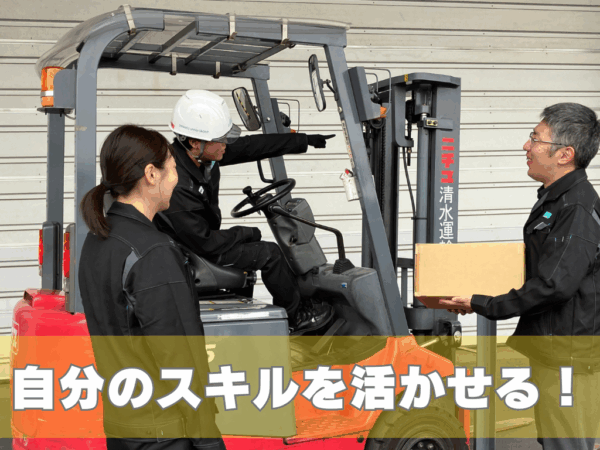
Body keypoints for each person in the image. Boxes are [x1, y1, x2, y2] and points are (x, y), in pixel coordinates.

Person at [440, 103, 600, 450]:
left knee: (566, 443)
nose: (526, 146)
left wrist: (485, 304)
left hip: (567, 357)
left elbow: (554, 285)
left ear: (565, 155)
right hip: (551, 350)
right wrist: (477, 292)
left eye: (536, 138)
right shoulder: (556, 201)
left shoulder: (575, 208)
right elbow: (540, 268)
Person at [79, 125, 224, 450]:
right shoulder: (154, 251)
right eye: (172, 168)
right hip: (165, 431)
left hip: (123, 425)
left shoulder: (98, 240)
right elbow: (180, 359)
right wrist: (209, 442)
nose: (176, 179)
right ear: (151, 174)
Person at [155, 90, 335, 334]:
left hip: (195, 239)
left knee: (253, 247)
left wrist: (303, 141)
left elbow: (251, 146)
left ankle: (249, 317)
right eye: (221, 140)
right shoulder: (176, 183)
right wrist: (246, 232)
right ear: (196, 142)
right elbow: (204, 242)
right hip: (190, 250)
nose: (226, 145)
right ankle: (296, 318)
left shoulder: (203, 156)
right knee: (270, 254)